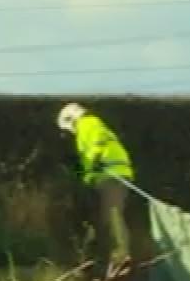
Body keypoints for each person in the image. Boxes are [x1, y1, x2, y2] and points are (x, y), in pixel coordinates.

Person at [56, 102, 136, 272]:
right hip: (106, 175)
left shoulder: (88, 123)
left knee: (112, 214)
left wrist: (94, 160)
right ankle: (104, 257)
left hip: (111, 174)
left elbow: (97, 141)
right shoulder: (87, 126)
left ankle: (120, 254)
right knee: (103, 218)